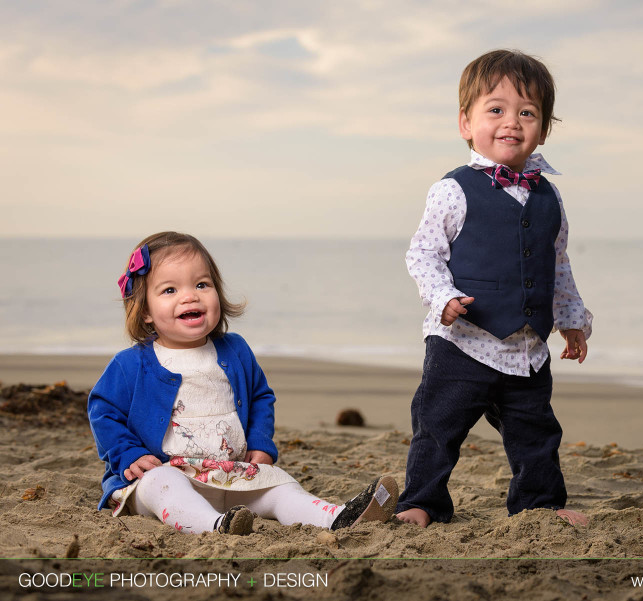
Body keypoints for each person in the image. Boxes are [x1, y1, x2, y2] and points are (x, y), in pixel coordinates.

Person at [396, 50, 593, 528]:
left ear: (543, 129)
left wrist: (572, 321)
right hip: (462, 342)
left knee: (537, 431)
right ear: (466, 122)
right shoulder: (453, 189)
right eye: (496, 109)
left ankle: (539, 505)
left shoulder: (550, 196)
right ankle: (422, 502)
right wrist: (443, 298)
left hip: (526, 346)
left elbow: (556, 263)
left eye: (527, 112)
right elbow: (423, 253)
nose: (512, 122)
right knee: (438, 428)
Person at [88, 231, 398, 534]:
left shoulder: (234, 349)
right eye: (169, 290)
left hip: (230, 475)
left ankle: (337, 518)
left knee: (279, 485)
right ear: (145, 311)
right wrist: (127, 454)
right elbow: (103, 411)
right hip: (169, 475)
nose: (190, 295)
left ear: (217, 293)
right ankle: (212, 526)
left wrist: (261, 443)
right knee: (161, 485)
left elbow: (261, 396)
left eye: (201, 284)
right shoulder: (132, 364)